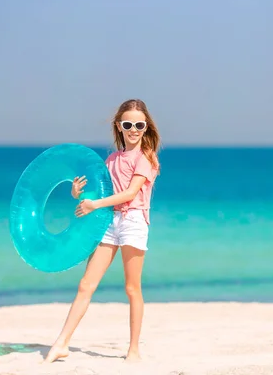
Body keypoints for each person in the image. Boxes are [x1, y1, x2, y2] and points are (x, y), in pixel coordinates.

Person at [43, 99, 161, 364]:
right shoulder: (111, 159)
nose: (133, 129)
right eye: (128, 124)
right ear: (119, 126)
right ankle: (62, 343)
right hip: (109, 222)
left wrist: (94, 204)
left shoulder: (147, 158)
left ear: (145, 127)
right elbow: (101, 194)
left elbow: (130, 193)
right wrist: (78, 193)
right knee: (86, 284)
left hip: (133, 222)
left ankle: (133, 350)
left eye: (139, 125)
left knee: (132, 288)